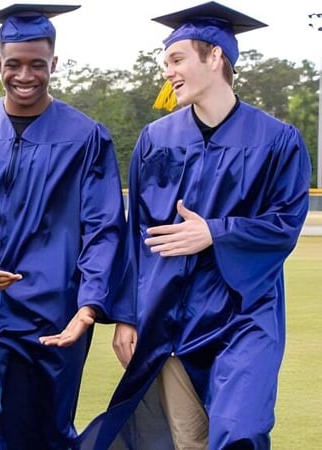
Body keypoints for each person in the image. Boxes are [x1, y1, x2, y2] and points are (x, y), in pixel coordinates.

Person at [78, 2, 312, 449]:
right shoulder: (156, 139)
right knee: (189, 441)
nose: (167, 71)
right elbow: (137, 235)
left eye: (177, 59)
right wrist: (126, 315)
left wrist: (215, 233)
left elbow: (285, 224)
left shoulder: (277, 140)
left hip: (245, 312)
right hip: (171, 318)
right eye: (165, 62)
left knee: (240, 431)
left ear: (215, 57)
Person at [0, 4, 129, 449]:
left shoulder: (85, 137)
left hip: (51, 310)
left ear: (54, 63)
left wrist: (89, 305)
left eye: (37, 64)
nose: (25, 75)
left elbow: (103, 228)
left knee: (40, 432)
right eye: (13, 64)